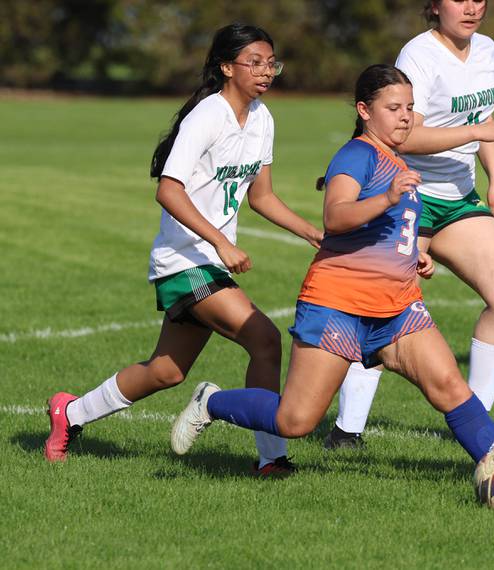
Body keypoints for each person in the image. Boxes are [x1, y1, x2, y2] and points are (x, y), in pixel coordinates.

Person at [169, 64, 494, 469]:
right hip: (337, 305)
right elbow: (337, 216)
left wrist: (412, 253)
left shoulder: (398, 163)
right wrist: (385, 200)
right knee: (295, 420)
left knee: (450, 387)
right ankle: (212, 401)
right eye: (394, 107)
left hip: (397, 308)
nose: (405, 116)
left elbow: (389, 228)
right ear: (365, 110)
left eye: (410, 108)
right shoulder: (355, 155)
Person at [44, 24, 322, 478]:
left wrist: (312, 231)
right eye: (255, 62)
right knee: (265, 340)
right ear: (226, 66)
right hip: (186, 260)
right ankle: (272, 458)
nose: (266, 71)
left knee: (166, 372)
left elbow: (262, 197)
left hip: (206, 261)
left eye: (272, 62)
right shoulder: (207, 117)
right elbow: (169, 191)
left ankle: (69, 414)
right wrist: (220, 241)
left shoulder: (263, 117)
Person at [325, 0, 494, 449]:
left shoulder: (487, 50)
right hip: (405, 196)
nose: (472, 7)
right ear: (434, 7)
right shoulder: (419, 54)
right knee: (381, 310)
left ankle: (477, 425)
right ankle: (346, 431)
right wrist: (477, 135)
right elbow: (405, 135)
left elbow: (482, 119)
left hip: (458, 197)